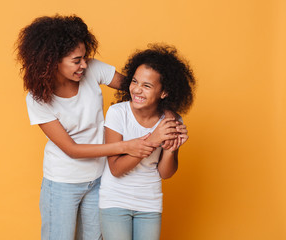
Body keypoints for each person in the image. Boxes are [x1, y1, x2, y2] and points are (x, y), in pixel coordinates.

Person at [15, 15, 179, 240]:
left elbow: (139, 91)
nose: (84, 64)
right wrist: (127, 146)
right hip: (63, 183)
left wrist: (169, 115)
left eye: (84, 57)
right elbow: (72, 149)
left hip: (98, 180)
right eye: (76, 60)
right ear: (52, 61)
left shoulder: (92, 69)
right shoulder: (37, 99)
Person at [99, 44, 196, 240]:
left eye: (147, 85)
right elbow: (116, 168)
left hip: (150, 203)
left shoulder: (172, 121)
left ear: (164, 92)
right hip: (115, 200)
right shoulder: (118, 113)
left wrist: (170, 149)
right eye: (135, 81)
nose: (137, 90)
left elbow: (165, 173)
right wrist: (153, 140)